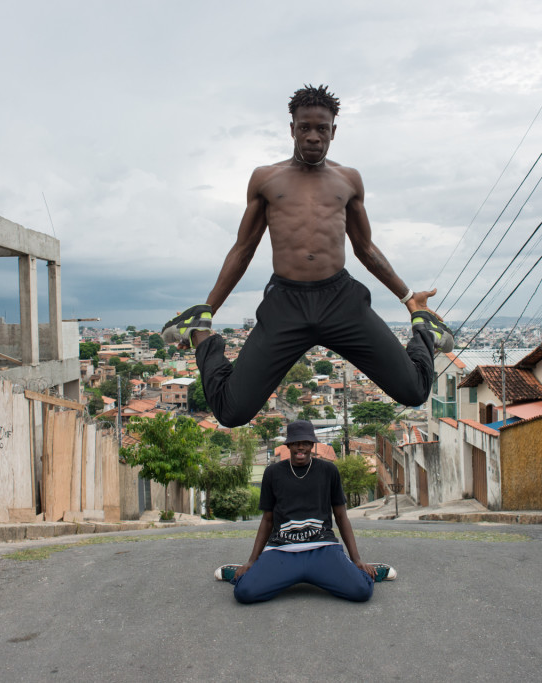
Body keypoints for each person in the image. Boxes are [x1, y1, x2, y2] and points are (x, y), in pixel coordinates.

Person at [162, 84, 453, 428]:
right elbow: (244, 247)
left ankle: (425, 331)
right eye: (305, 128)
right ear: (292, 129)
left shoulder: (349, 180)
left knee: (414, 389)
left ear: (334, 131)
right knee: (231, 412)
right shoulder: (266, 179)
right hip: (287, 302)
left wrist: (409, 300)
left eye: (322, 129)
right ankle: (200, 336)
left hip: (340, 299)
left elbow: (365, 247)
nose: (313, 137)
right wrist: (208, 311)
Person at [215, 420, 395, 603]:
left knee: (361, 591)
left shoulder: (329, 471)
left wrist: (357, 560)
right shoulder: (273, 473)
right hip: (282, 549)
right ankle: (245, 571)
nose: (300, 448)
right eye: (295, 443)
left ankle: (366, 571)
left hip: (322, 548)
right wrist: (252, 561)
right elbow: (267, 520)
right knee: (244, 593)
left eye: (306, 443)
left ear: (312, 444)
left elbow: (341, 517)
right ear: (288, 445)